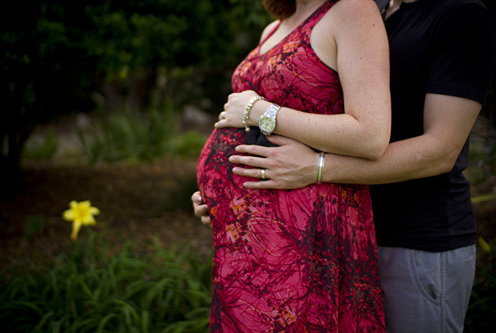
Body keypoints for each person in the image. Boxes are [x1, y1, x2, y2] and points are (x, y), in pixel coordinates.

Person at [193, 0, 496, 332]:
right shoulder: (376, 10)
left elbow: (441, 151)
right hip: (334, 227)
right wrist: (234, 195)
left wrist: (316, 166)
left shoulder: (458, 16)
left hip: (416, 236)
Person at [195, 0, 391, 331]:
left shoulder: (351, 9)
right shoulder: (274, 26)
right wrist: (216, 196)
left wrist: (262, 112)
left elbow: (370, 135)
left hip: (306, 235)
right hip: (249, 243)